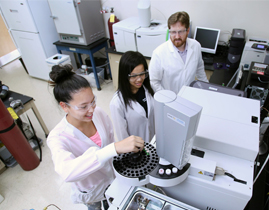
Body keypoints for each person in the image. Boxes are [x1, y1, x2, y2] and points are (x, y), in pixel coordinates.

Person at [47, 64, 144, 210]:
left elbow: (110, 141)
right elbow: (67, 172)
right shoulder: (58, 138)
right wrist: (113, 148)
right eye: (83, 106)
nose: (91, 109)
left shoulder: (97, 113)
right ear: (64, 106)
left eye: (93, 101)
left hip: (113, 181)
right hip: (93, 192)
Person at [149, 11, 208, 94]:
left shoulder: (196, 46)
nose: (177, 36)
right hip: (168, 100)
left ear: (188, 30)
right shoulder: (159, 53)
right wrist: (167, 98)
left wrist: (207, 90)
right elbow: (153, 82)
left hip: (188, 96)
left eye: (180, 32)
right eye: (173, 32)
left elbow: (200, 70)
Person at [110, 51, 155, 143]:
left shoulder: (148, 89)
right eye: (133, 76)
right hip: (137, 150)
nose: (139, 79)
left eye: (142, 74)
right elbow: (122, 136)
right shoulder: (117, 103)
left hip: (154, 142)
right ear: (124, 76)